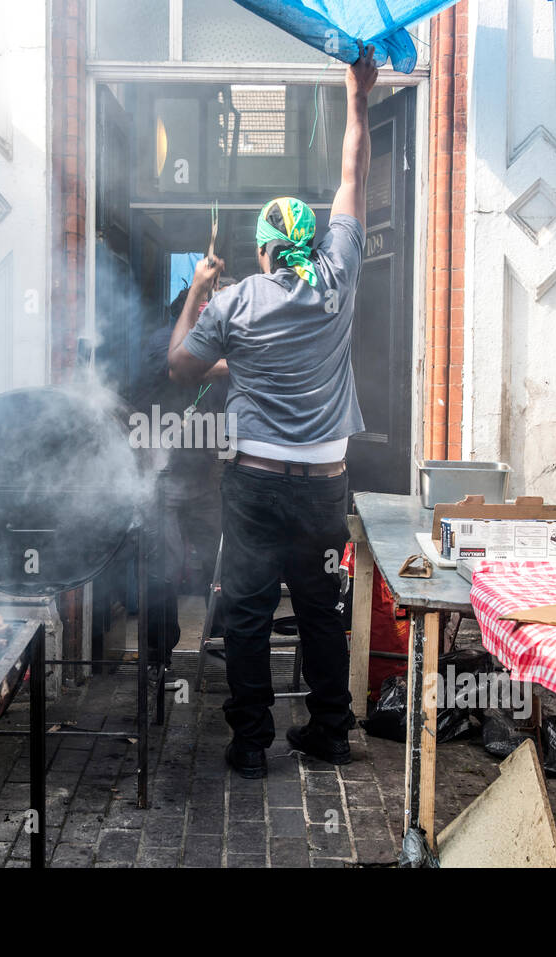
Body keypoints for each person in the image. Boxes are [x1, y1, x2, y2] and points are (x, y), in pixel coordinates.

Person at [167, 45, 379, 778]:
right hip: (324, 488)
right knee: (322, 610)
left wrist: (197, 287)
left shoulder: (234, 303)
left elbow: (179, 367)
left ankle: (252, 742)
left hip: (255, 487)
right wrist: (359, 93)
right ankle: (329, 732)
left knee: (250, 612)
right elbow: (353, 175)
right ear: (311, 243)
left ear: (262, 251)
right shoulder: (338, 275)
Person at [130, 280, 231, 674]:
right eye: (203, 308)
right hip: (164, 478)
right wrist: (249, 355)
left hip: (206, 476)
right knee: (163, 568)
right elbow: (187, 368)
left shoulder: (218, 348)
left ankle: (220, 641)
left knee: (217, 567)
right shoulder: (162, 343)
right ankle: (158, 657)